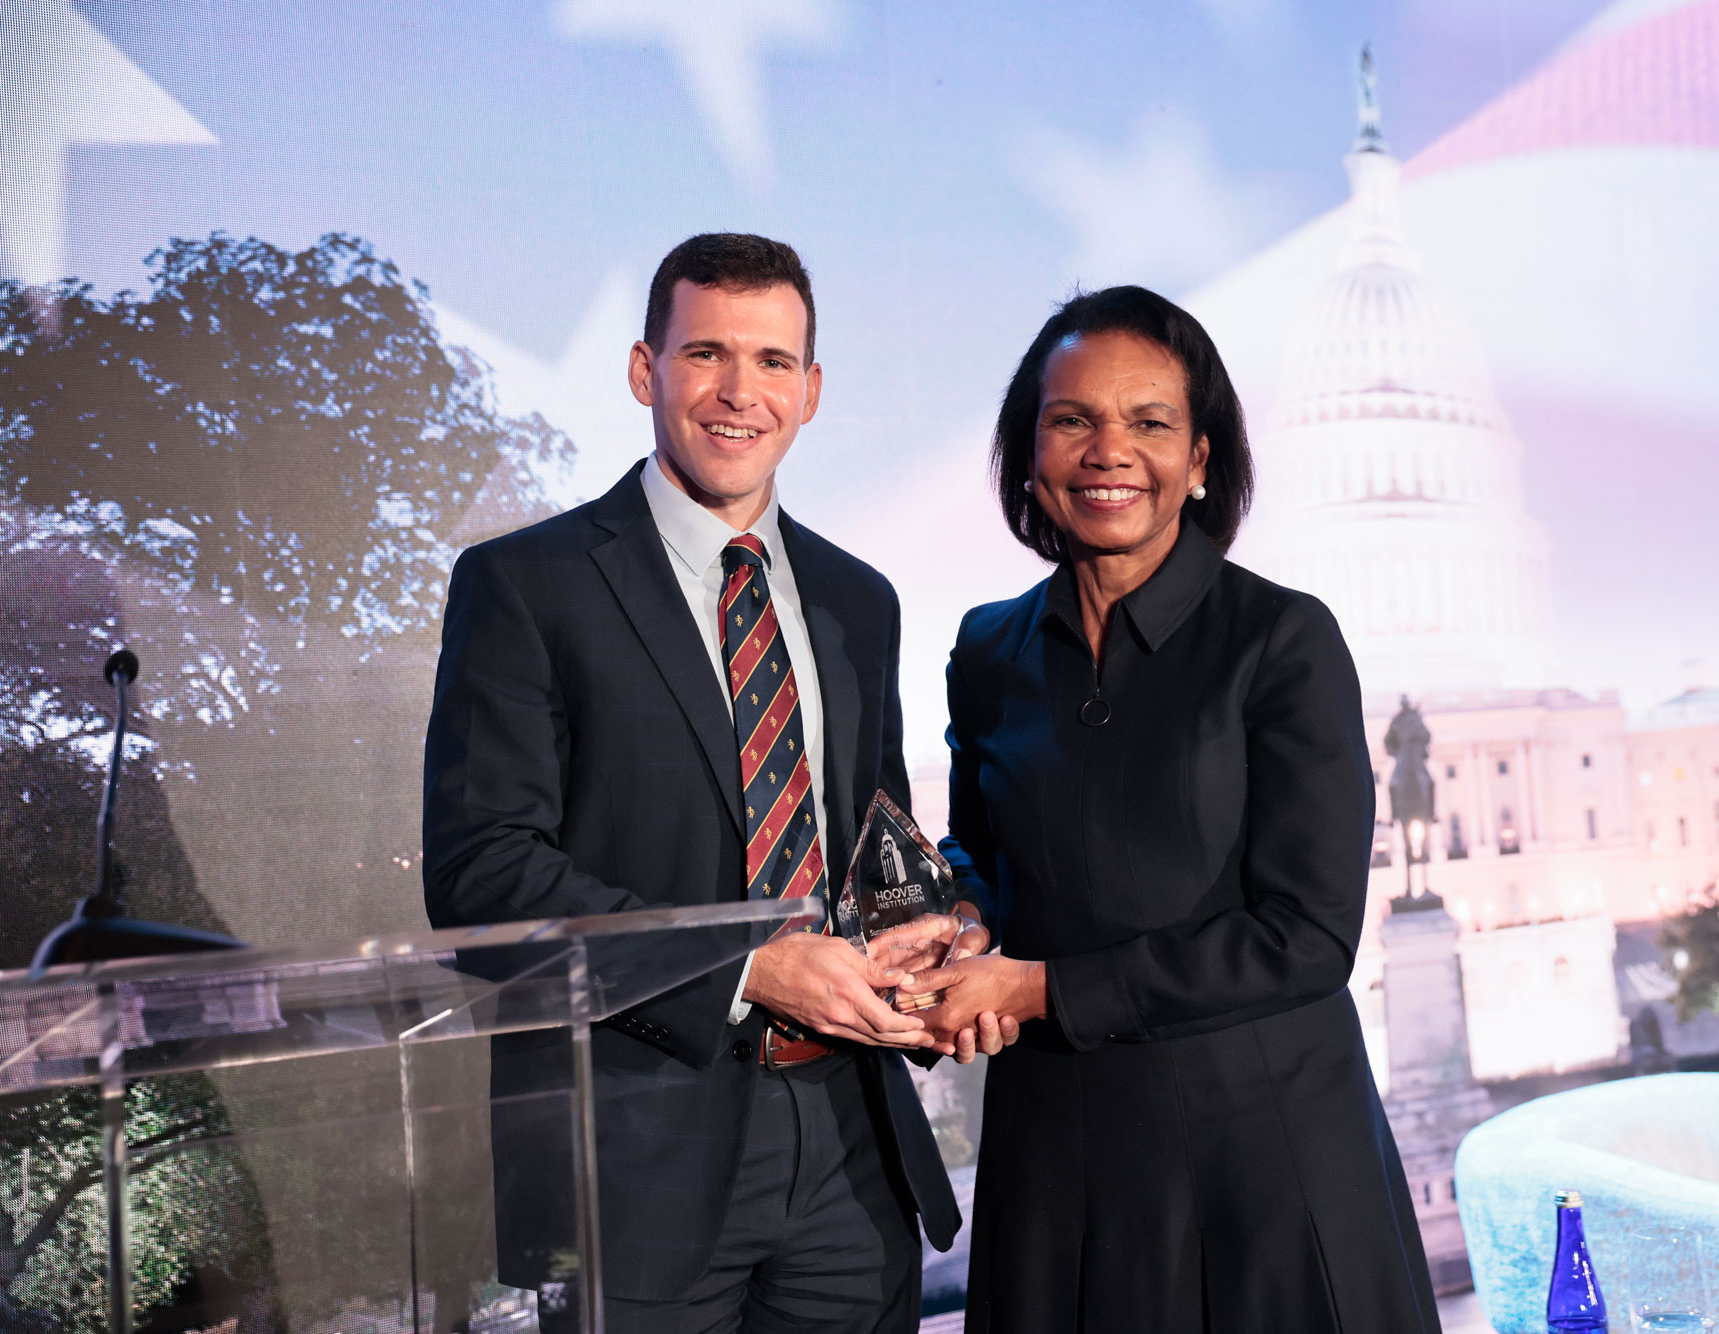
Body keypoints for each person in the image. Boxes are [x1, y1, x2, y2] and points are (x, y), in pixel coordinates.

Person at [423, 233, 1002, 1332]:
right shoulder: (525, 585)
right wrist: (748, 968)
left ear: (811, 391)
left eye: (773, 361)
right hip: (638, 1167)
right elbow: (481, 874)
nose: (741, 391)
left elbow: (875, 844)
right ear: (645, 370)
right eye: (706, 354)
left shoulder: (858, 599)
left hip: (853, 1152)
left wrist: (934, 932)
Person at [909, 286, 1443, 1332]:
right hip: (1052, 1160)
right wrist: (964, 917)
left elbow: (1306, 936)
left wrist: (1039, 988)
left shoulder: (1283, 640)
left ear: (1200, 459)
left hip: (1261, 1166)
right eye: (1072, 420)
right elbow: (979, 847)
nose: (1108, 451)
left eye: (1148, 422)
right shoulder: (985, 648)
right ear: (1029, 453)